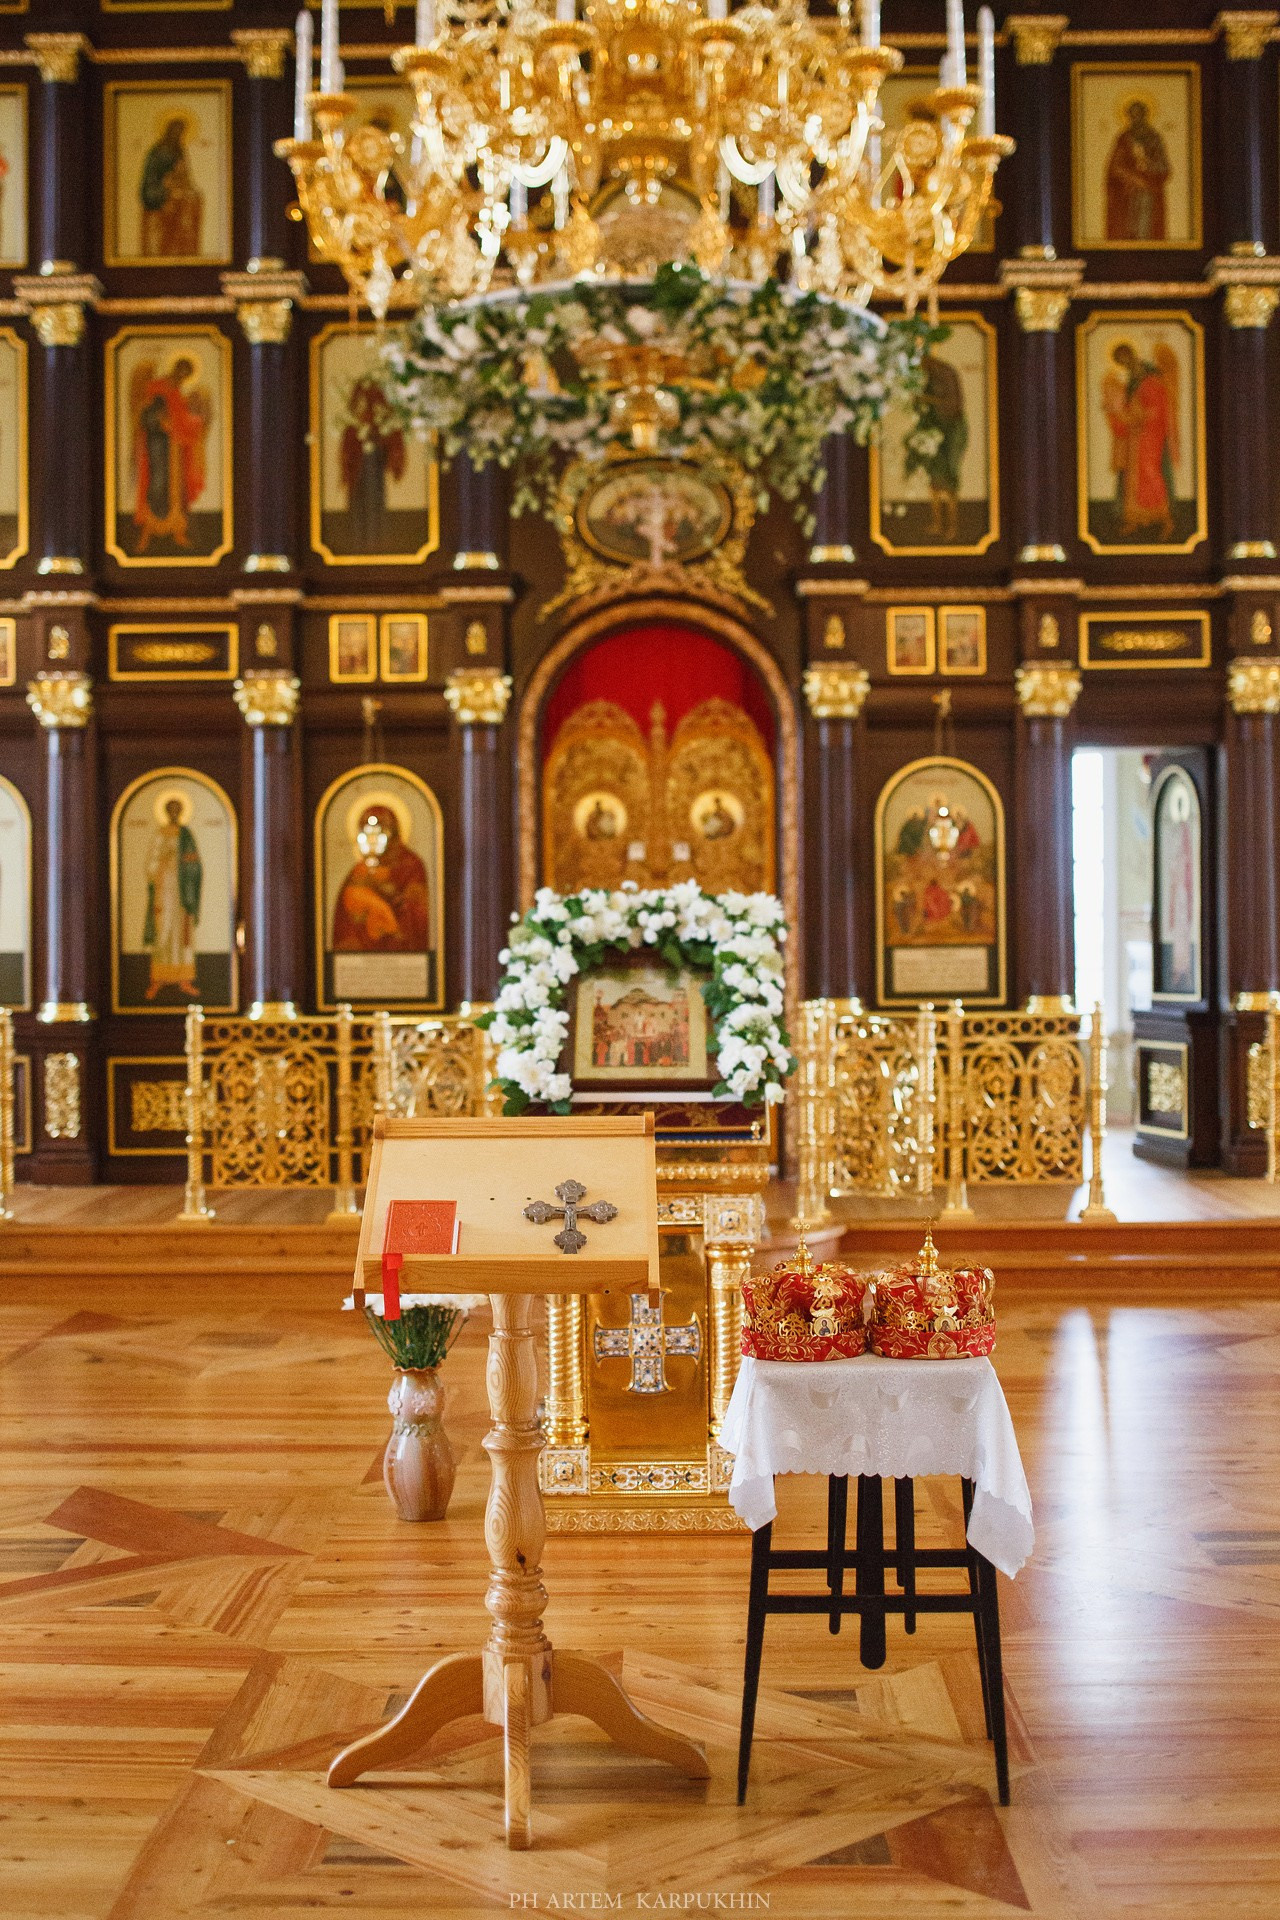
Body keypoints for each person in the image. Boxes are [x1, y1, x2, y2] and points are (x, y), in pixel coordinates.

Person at [128, 355, 211, 554]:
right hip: (157, 448)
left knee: (176, 488)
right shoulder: (157, 388)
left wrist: (195, 419)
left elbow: (181, 420)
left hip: (175, 451)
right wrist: (161, 423)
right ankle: (150, 528)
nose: (182, 378)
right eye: (181, 373)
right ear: (176, 370)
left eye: (186, 375)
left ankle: (177, 529)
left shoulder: (177, 394)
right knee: (158, 483)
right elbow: (146, 417)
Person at [1102, 340, 1179, 542]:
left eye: (1125, 358)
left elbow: (1157, 407)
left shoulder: (1151, 376)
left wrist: (1138, 415)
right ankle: (1135, 518)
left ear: (1131, 355)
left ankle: (1165, 518)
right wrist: (1117, 411)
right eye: (1120, 361)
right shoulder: (1132, 381)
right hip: (1136, 435)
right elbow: (1131, 407)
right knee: (1132, 476)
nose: (1125, 364)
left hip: (1151, 434)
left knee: (1149, 471)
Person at [333, 804, 430, 953]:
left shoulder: (411, 865)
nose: (372, 840)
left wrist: (394, 898)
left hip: (401, 950)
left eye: (380, 833)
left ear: (393, 834)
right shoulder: (357, 871)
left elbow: (419, 911)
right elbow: (344, 922)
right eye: (366, 834)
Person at [903, 351, 968, 543]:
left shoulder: (946, 373)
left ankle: (952, 525)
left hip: (951, 431)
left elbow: (951, 403)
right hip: (935, 429)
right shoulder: (930, 376)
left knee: (949, 477)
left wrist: (926, 400)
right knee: (934, 478)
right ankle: (938, 523)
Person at [339, 375, 406, 552]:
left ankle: (376, 543)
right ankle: (358, 544)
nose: (367, 408)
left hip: (374, 476)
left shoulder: (382, 429)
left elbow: (393, 450)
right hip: (358, 477)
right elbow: (347, 454)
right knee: (358, 507)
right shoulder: (352, 430)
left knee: (374, 506)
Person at [143, 798, 201, 1000]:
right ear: (167, 812)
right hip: (163, 888)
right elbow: (150, 864)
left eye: (178, 810)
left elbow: (195, 864)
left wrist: (186, 863)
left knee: (181, 933)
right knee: (163, 931)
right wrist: (162, 861)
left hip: (183, 892)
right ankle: (158, 979)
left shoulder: (187, 835)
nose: (174, 814)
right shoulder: (160, 834)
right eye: (171, 810)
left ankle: (184, 979)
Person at [1104, 98, 1170, 244]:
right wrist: (1132, 178)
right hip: (1126, 192)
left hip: (1149, 189)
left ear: (1145, 115)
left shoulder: (1154, 138)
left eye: (1139, 115)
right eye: (1132, 115)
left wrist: (1148, 167)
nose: (1135, 119)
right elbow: (1114, 167)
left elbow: (1164, 167)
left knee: (1146, 225)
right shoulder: (1123, 139)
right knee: (1128, 228)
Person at [139, 116, 203, 258]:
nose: (179, 135)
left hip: (176, 189)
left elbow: (184, 174)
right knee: (177, 202)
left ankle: (186, 249)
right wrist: (166, 185)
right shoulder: (157, 151)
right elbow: (151, 178)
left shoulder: (179, 149)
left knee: (194, 198)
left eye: (181, 132)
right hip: (158, 191)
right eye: (177, 132)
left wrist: (185, 185)